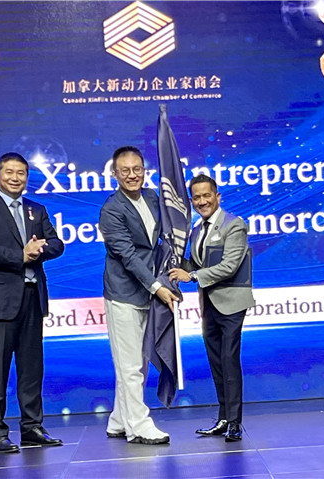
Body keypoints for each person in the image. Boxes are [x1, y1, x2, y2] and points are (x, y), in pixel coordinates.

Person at [0, 152, 65, 453]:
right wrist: (20, 256)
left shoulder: (37, 209)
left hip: (32, 297)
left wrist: (41, 249)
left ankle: (32, 427)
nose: (15, 178)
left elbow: (57, 244)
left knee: (31, 368)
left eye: (21, 173)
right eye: (9, 172)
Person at [99, 146, 178, 445]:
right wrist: (157, 287)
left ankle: (119, 420)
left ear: (144, 170)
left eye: (137, 169)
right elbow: (129, 257)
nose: (132, 175)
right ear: (115, 174)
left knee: (138, 364)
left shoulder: (153, 198)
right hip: (123, 294)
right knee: (130, 365)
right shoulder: (111, 210)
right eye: (125, 171)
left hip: (149, 292)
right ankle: (138, 426)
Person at [169, 174, 255, 442]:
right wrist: (172, 257)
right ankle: (223, 418)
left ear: (217, 196)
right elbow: (195, 265)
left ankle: (235, 422)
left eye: (207, 195)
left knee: (229, 360)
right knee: (217, 363)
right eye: (197, 197)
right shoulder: (196, 230)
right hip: (208, 304)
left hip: (231, 304)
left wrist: (192, 276)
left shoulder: (234, 225)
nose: (202, 201)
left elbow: (229, 266)